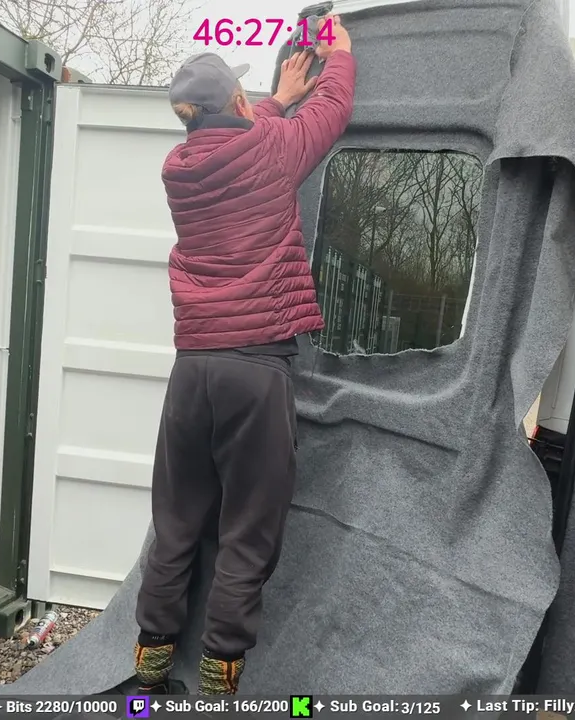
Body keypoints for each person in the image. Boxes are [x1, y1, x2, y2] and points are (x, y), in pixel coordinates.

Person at [132, 18, 357, 697]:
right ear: (236, 100)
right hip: (256, 368)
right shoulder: (271, 148)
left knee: (176, 521)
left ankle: (149, 662)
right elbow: (332, 111)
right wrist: (340, 55)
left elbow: (238, 139)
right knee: (248, 529)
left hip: (193, 370)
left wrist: (277, 99)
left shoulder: (178, 170)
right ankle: (219, 676)